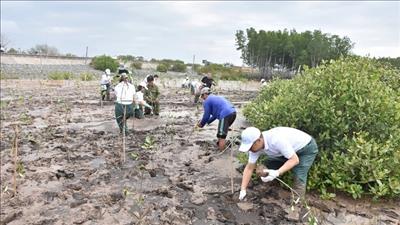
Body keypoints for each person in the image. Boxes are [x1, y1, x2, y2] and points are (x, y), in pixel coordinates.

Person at [237, 126, 318, 202]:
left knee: (299, 174)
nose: (249, 150)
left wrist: (277, 172)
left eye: (250, 147)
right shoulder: (255, 149)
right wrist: (243, 189)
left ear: (259, 140)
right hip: (284, 152)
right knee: (264, 167)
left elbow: (295, 160)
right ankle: (268, 185)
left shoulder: (275, 140)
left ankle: (298, 202)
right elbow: (249, 168)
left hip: (306, 148)